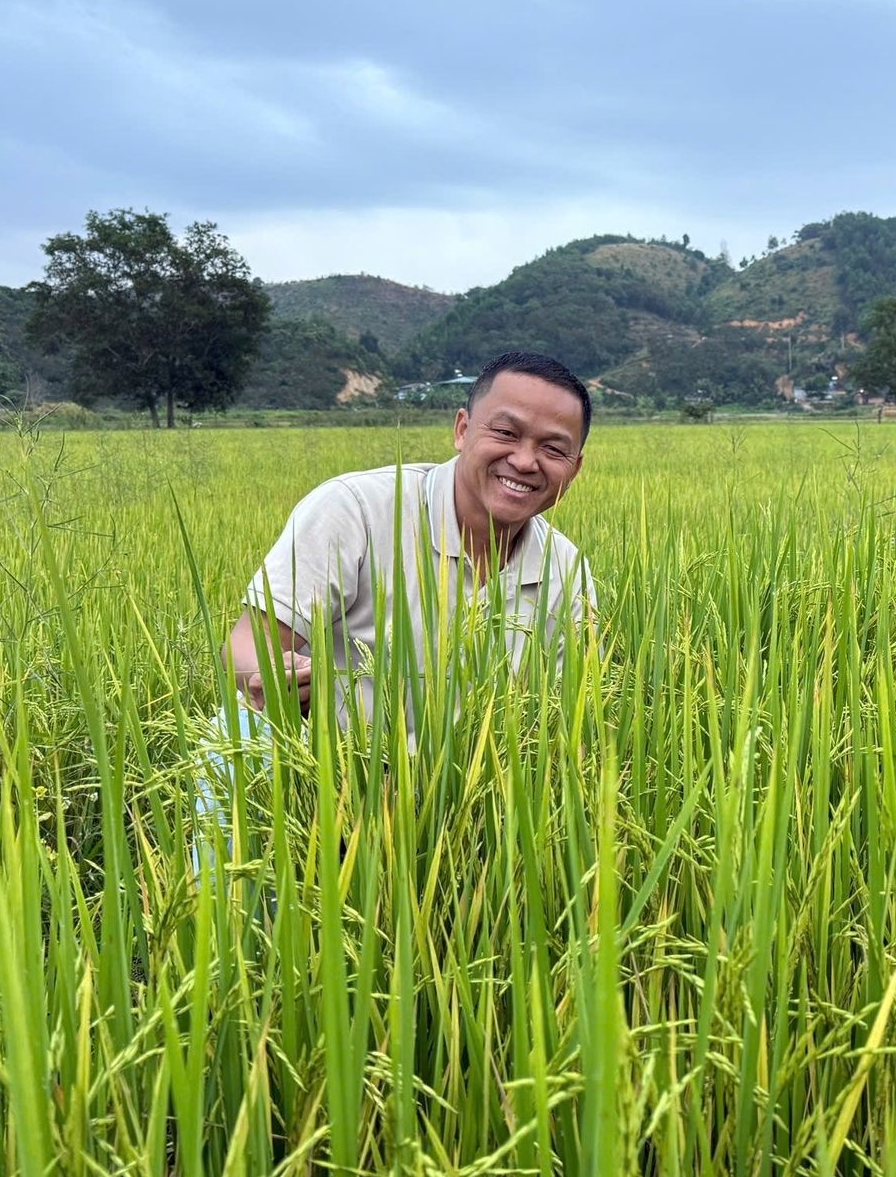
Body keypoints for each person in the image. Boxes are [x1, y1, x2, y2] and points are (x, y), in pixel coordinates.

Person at [195, 350, 596, 866]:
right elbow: (246, 646)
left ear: (575, 468)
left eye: (553, 448)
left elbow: (570, 725)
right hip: (317, 769)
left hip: (451, 797)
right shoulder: (357, 509)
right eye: (506, 433)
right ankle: (228, 928)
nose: (524, 461)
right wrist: (271, 673)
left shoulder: (568, 572)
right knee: (241, 734)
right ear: (462, 429)